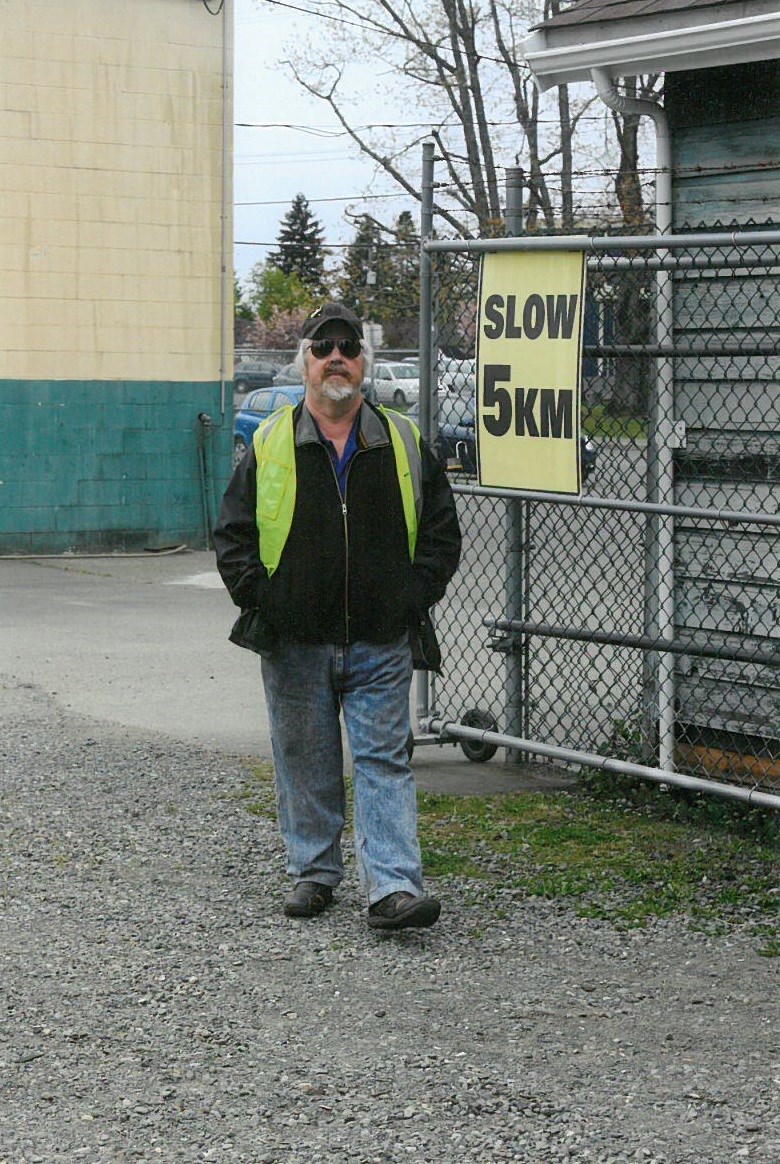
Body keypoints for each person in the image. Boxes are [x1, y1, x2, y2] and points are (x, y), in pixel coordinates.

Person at [214, 302, 461, 930]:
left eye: (348, 346)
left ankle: (394, 889)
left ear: (363, 363)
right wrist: (263, 599)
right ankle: (314, 873)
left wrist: (409, 600)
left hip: (381, 639)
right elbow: (233, 535)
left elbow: (440, 534)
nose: (336, 358)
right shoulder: (271, 443)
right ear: (306, 363)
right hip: (294, 640)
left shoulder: (402, 440)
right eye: (323, 348)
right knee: (304, 758)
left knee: (384, 760)